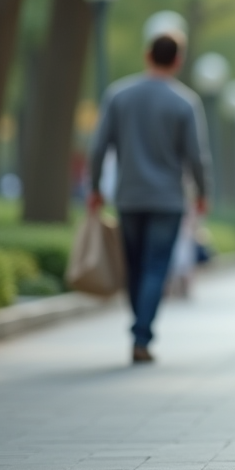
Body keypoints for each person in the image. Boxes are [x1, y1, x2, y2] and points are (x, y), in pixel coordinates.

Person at [88, 32, 211, 364]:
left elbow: (98, 148)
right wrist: (203, 193)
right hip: (168, 200)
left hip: (128, 197)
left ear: (147, 55)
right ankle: (142, 334)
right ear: (177, 61)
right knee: (156, 267)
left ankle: (139, 326)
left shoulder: (118, 95)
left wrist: (95, 188)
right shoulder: (185, 102)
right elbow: (197, 157)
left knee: (134, 265)